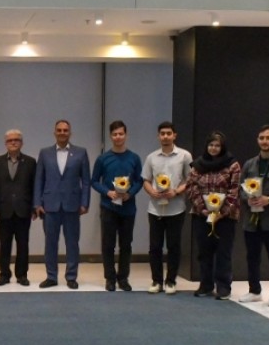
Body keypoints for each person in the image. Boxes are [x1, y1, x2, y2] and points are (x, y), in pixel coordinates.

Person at [34, 119, 91, 289]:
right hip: (50, 205)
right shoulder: (45, 153)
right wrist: (37, 203)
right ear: (54, 133)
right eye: (59, 130)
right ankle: (51, 276)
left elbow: (86, 181)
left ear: (70, 133)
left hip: (72, 205)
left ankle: (71, 276)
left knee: (72, 243)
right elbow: (39, 180)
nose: (62, 133)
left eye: (65, 130)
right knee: (50, 243)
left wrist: (85, 202)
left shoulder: (81, 153)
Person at [185, 131, 241, 300]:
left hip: (226, 217)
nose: (214, 148)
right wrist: (204, 210)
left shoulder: (233, 165)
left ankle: (223, 286)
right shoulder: (197, 165)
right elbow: (191, 187)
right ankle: (206, 285)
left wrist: (221, 213)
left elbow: (235, 190)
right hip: (201, 215)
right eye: (211, 145)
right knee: (204, 252)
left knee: (223, 252)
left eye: (217, 145)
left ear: (223, 147)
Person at [239, 125, 269, 307]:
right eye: (261, 138)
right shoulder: (249, 164)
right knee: (252, 257)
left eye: (268, 138)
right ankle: (254, 290)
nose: (264, 141)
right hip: (251, 220)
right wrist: (248, 199)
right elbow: (240, 188)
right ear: (257, 140)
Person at [90, 120, 142, 291]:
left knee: (126, 245)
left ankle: (123, 278)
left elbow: (139, 181)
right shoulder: (103, 159)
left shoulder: (134, 158)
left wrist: (130, 193)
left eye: (121, 134)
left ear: (126, 135)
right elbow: (94, 181)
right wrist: (108, 192)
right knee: (108, 245)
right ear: (110, 136)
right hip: (108, 207)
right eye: (115, 134)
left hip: (128, 209)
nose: (118, 137)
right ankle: (110, 278)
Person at [141, 121, 192, 295]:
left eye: (168, 133)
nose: (165, 136)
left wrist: (176, 191)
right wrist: (152, 192)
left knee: (173, 246)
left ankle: (171, 281)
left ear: (174, 135)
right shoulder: (151, 157)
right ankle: (156, 281)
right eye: (162, 133)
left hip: (176, 208)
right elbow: (146, 180)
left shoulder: (185, 156)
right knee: (155, 247)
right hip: (155, 209)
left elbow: (191, 180)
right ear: (158, 136)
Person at [0, 129, 36, 287]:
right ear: (5, 143)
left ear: (22, 143)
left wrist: (34, 207)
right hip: (3, 211)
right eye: (10, 140)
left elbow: (34, 187)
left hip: (23, 210)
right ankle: (4, 274)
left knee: (23, 244)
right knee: (4, 245)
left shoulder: (30, 162)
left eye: (16, 140)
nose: (13, 142)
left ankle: (22, 275)